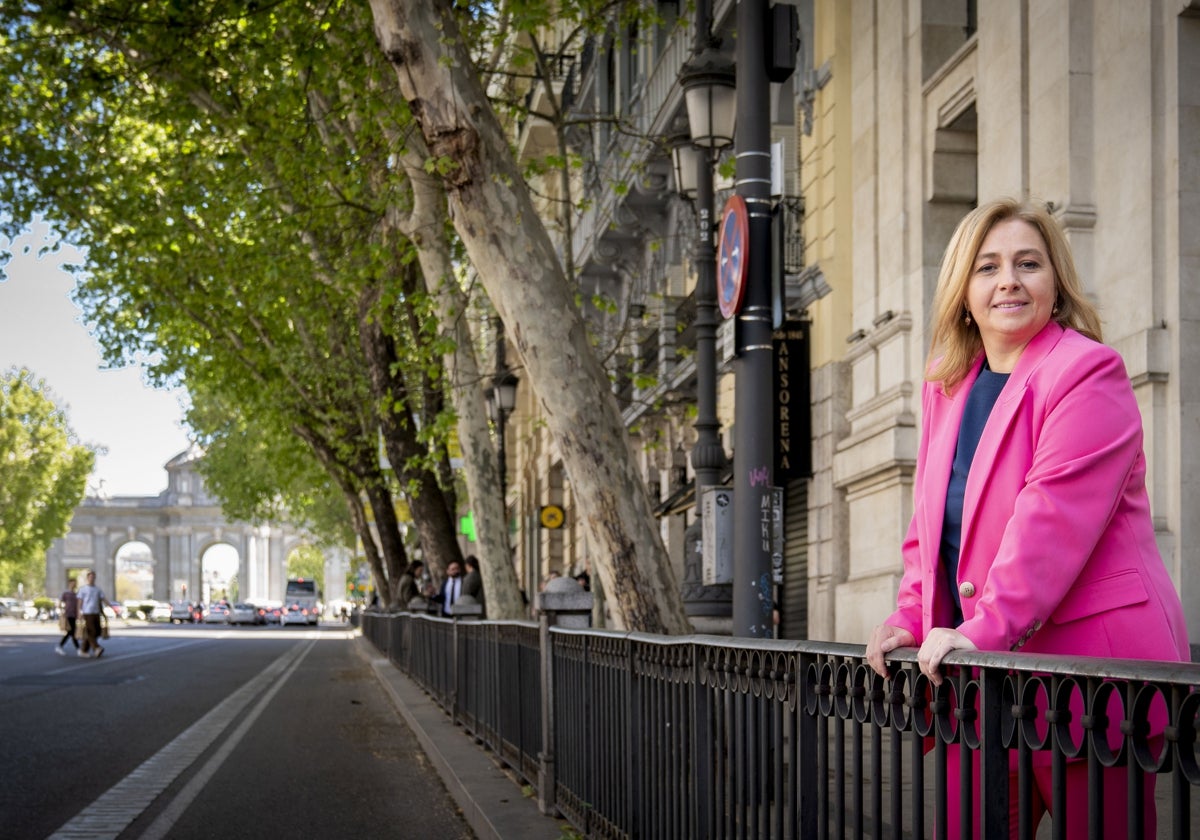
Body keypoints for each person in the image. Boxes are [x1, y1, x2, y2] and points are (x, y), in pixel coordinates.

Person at [865, 198, 1189, 839]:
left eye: (1027, 263)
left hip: (1089, 689)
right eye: (987, 267)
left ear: (1055, 283)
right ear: (964, 292)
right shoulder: (945, 386)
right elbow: (929, 528)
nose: (1008, 279)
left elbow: (1050, 522)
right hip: (978, 686)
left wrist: (981, 630)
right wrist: (909, 616)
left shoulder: (1087, 372)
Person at [77, 569, 113, 659]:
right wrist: (79, 612)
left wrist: (110, 606)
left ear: (95, 578)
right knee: (91, 631)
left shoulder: (98, 589)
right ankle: (97, 648)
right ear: (87, 578)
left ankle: (83, 650)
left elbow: (103, 599)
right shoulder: (83, 589)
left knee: (96, 632)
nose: (91, 578)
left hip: (96, 613)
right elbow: (80, 601)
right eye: (90, 577)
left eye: (93, 577)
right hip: (87, 612)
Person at [56, 577, 80, 656]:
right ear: (69, 583)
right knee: (71, 632)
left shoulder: (76, 594)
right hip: (67, 615)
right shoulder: (65, 593)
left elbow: (78, 605)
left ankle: (60, 646)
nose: (74, 584)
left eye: (75, 583)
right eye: (72, 583)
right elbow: (60, 602)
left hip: (74, 615)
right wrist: (61, 611)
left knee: (72, 632)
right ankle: (78, 648)